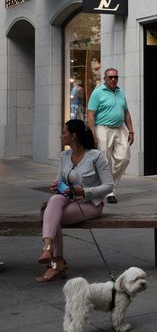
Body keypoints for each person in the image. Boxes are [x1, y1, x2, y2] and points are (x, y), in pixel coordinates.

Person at [37, 119, 113, 282]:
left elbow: (109, 185)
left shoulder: (96, 156)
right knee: (55, 200)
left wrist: (84, 191)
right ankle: (48, 248)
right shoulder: (64, 155)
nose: (60, 135)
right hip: (67, 200)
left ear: (74, 136)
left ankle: (57, 263)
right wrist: (56, 185)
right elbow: (60, 181)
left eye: (64, 132)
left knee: (51, 216)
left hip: (90, 204)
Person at [87, 68, 133, 204]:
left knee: (125, 158)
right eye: (111, 77)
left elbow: (126, 113)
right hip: (103, 128)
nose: (114, 79)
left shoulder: (121, 92)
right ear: (105, 79)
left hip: (120, 128)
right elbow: (90, 114)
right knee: (105, 161)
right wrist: (93, 133)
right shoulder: (97, 93)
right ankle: (109, 191)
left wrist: (131, 130)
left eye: (116, 77)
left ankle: (108, 185)